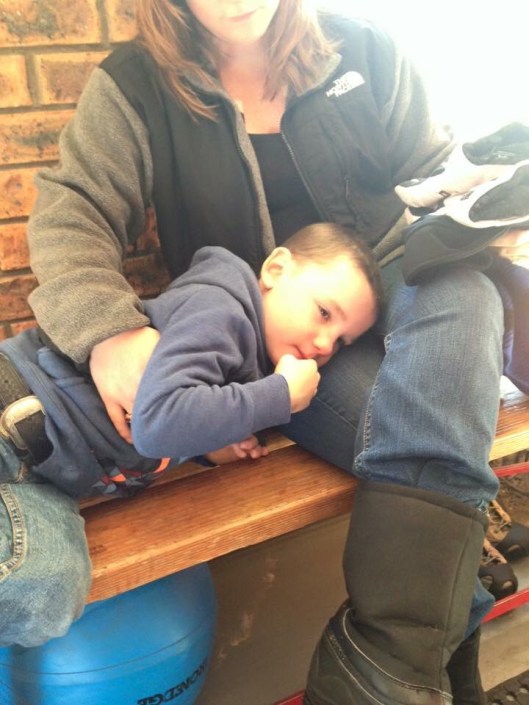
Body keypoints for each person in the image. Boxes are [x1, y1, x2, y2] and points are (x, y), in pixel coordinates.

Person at [10, 0, 528, 702]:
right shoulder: (136, 84)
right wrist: (109, 330)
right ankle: (402, 669)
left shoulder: (369, 50)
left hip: (396, 281)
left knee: (461, 283)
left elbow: (437, 173)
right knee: (434, 445)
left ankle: (385, 666)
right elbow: (72, 210)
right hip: (286, 341)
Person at [0, 223, 381, 501]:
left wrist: (209, 447)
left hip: (46, 469)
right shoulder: (220, 312)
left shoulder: (249, 345)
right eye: (324, 313)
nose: (325, 345)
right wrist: (279, 396)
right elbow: (157, 424)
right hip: (17, 411)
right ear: (276, 269)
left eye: (342, 341)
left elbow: (168, 411)